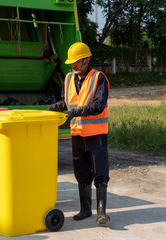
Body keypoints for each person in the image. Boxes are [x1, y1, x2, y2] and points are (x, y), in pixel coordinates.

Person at [48, 42, 110, 225]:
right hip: (77, 134)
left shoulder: (99, 78)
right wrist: (56, 107)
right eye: (72, 62)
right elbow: (66, 102)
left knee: (100, 172)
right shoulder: (68, 78)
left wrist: (76, 112)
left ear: (87, 60)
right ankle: (85, 209)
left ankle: (101, 213)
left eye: (77, 62)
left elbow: (98, 106)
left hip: (96, 134)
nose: (73, 65)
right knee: (81, 172)